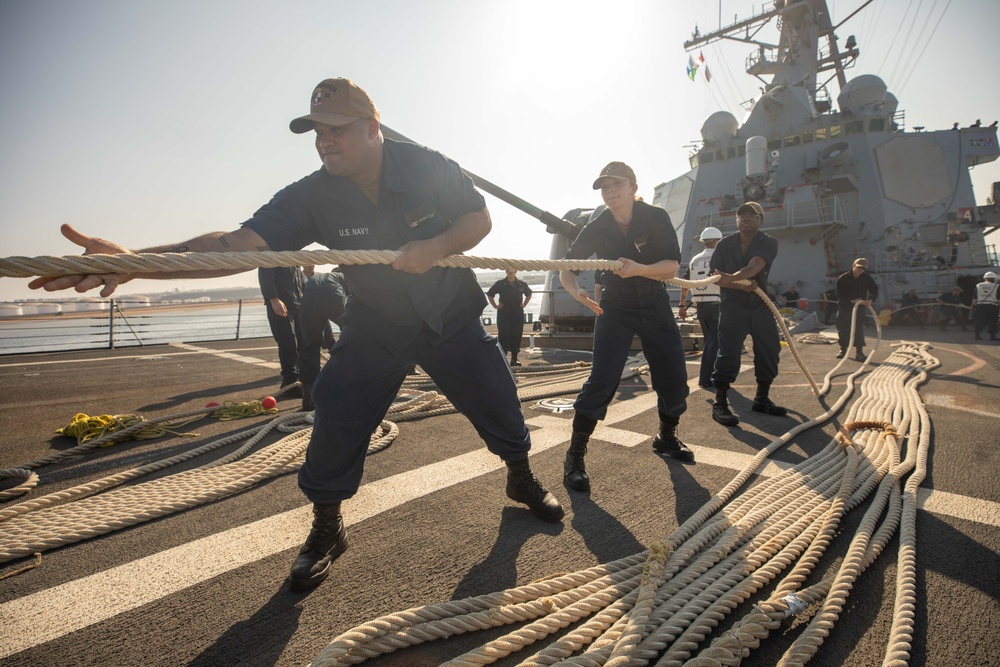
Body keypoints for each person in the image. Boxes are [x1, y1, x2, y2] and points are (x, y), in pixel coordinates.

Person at [28, 77, 564, 591]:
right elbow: (238, 244)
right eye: (317, 132)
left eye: (336, 129)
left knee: (498, 399)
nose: (324, 141)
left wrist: (437, 246)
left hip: (450, 316)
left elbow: (478, 218)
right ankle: (328, 527)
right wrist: (141, 262)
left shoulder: (426, 165)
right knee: (335, 411)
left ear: (373, 126)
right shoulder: (312, 196)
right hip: (377, 324)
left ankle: (519, 474)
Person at [559, 161, 693, 493]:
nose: (610, 191)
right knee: (602, 379)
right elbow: (566, 267)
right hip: (615, 305)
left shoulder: (656, 217)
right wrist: (578, 294)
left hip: (653, 300)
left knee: (674, 375)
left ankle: (666, 436)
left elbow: (671, 266)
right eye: (604, 187)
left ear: (633, 187)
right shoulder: (597, 224)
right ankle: (575, 455)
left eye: (616, 184)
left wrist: (637, 269)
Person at [709, 201, 788, 426]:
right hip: (733, 306)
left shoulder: (768, 242)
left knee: (769, 350)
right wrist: (741, 284)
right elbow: (716, 276)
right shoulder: (724, 245)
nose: (744, 218)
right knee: (728, 353)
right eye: (740, 214)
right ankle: (720, 403)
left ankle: (762, 398)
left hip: (760, 306)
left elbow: (755, 266)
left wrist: (733, 279)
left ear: (760, 220)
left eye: (751, 215)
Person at [297, 269, 350, 411]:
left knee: (310, 345)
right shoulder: (347, 276)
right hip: (332, 292)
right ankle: (350, 385)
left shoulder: (317, 279)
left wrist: (330, 342)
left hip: (309, 298)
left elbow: (321, 320)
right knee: (354, 331)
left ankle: (309, 398)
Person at [678, 226, 722, 389]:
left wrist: (682, 306)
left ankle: (711, 374)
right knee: (714, 341)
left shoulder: (694, 260)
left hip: (700, 307)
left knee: (709, 340)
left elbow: (685, 284)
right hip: (716, 304)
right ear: (717, 241)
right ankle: (705, 378)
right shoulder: (720, 257)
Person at [258, 266, 306, 391]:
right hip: (282, 305)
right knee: (288, 344)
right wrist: (274, 299)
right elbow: (265, 275)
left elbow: (300, 281)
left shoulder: (293, 258)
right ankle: (290, 384)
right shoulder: (274, 252)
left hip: (297, 304)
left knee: (302, 343)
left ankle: (301, 381)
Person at [835, 258, 879, 361]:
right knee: (843, 328)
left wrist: (871, 300)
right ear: (853, 266)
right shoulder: (843, 278)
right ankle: (843, 350)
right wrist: (850, 301)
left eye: (863, 268)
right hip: (845, 307)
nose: (860, 270)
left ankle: (859, 352)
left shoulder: (866, 278)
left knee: (858, 329)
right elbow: (839, 295)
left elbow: (874, 289)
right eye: (859, 267)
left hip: (859, 307)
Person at [487, 269, 532, 366]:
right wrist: (495, 306)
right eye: (508, 270)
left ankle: (514, 359)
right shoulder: (500, 283)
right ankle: (502, 360)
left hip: (517, 313)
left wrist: (524, 304)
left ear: (516, 271)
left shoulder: (522, 284)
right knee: (504, 335)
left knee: (516, 335)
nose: (510, 271)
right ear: (505, 271)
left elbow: (529, 294)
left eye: (512, 270)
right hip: (504, 313)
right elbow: (490, 294)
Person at [973, 271, 999, 341]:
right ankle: (992, 336)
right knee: (992, 321)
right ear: (994, 278)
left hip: (980, 305)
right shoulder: (997, 286)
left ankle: (977, 335)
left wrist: (973, 306)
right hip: (992, 305)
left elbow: (974, 297)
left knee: (978, 320)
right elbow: (998, 298)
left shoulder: (978, 285)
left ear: (985, 278)